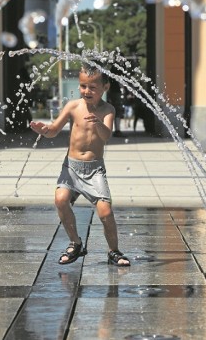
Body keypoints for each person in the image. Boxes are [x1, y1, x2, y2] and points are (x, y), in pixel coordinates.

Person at [30, 64, 130, 266]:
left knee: (105, 212)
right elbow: (54, 130)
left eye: (93, 87)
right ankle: (75, 243)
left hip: (94, 169)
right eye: (83, 86)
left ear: (105, 87)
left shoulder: (108, 109)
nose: (87, 91)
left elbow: (106, 136)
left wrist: (98, 123)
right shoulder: (73, 107)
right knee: (60, 200)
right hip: (71, 167)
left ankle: (114, 251)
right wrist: (44, 130)